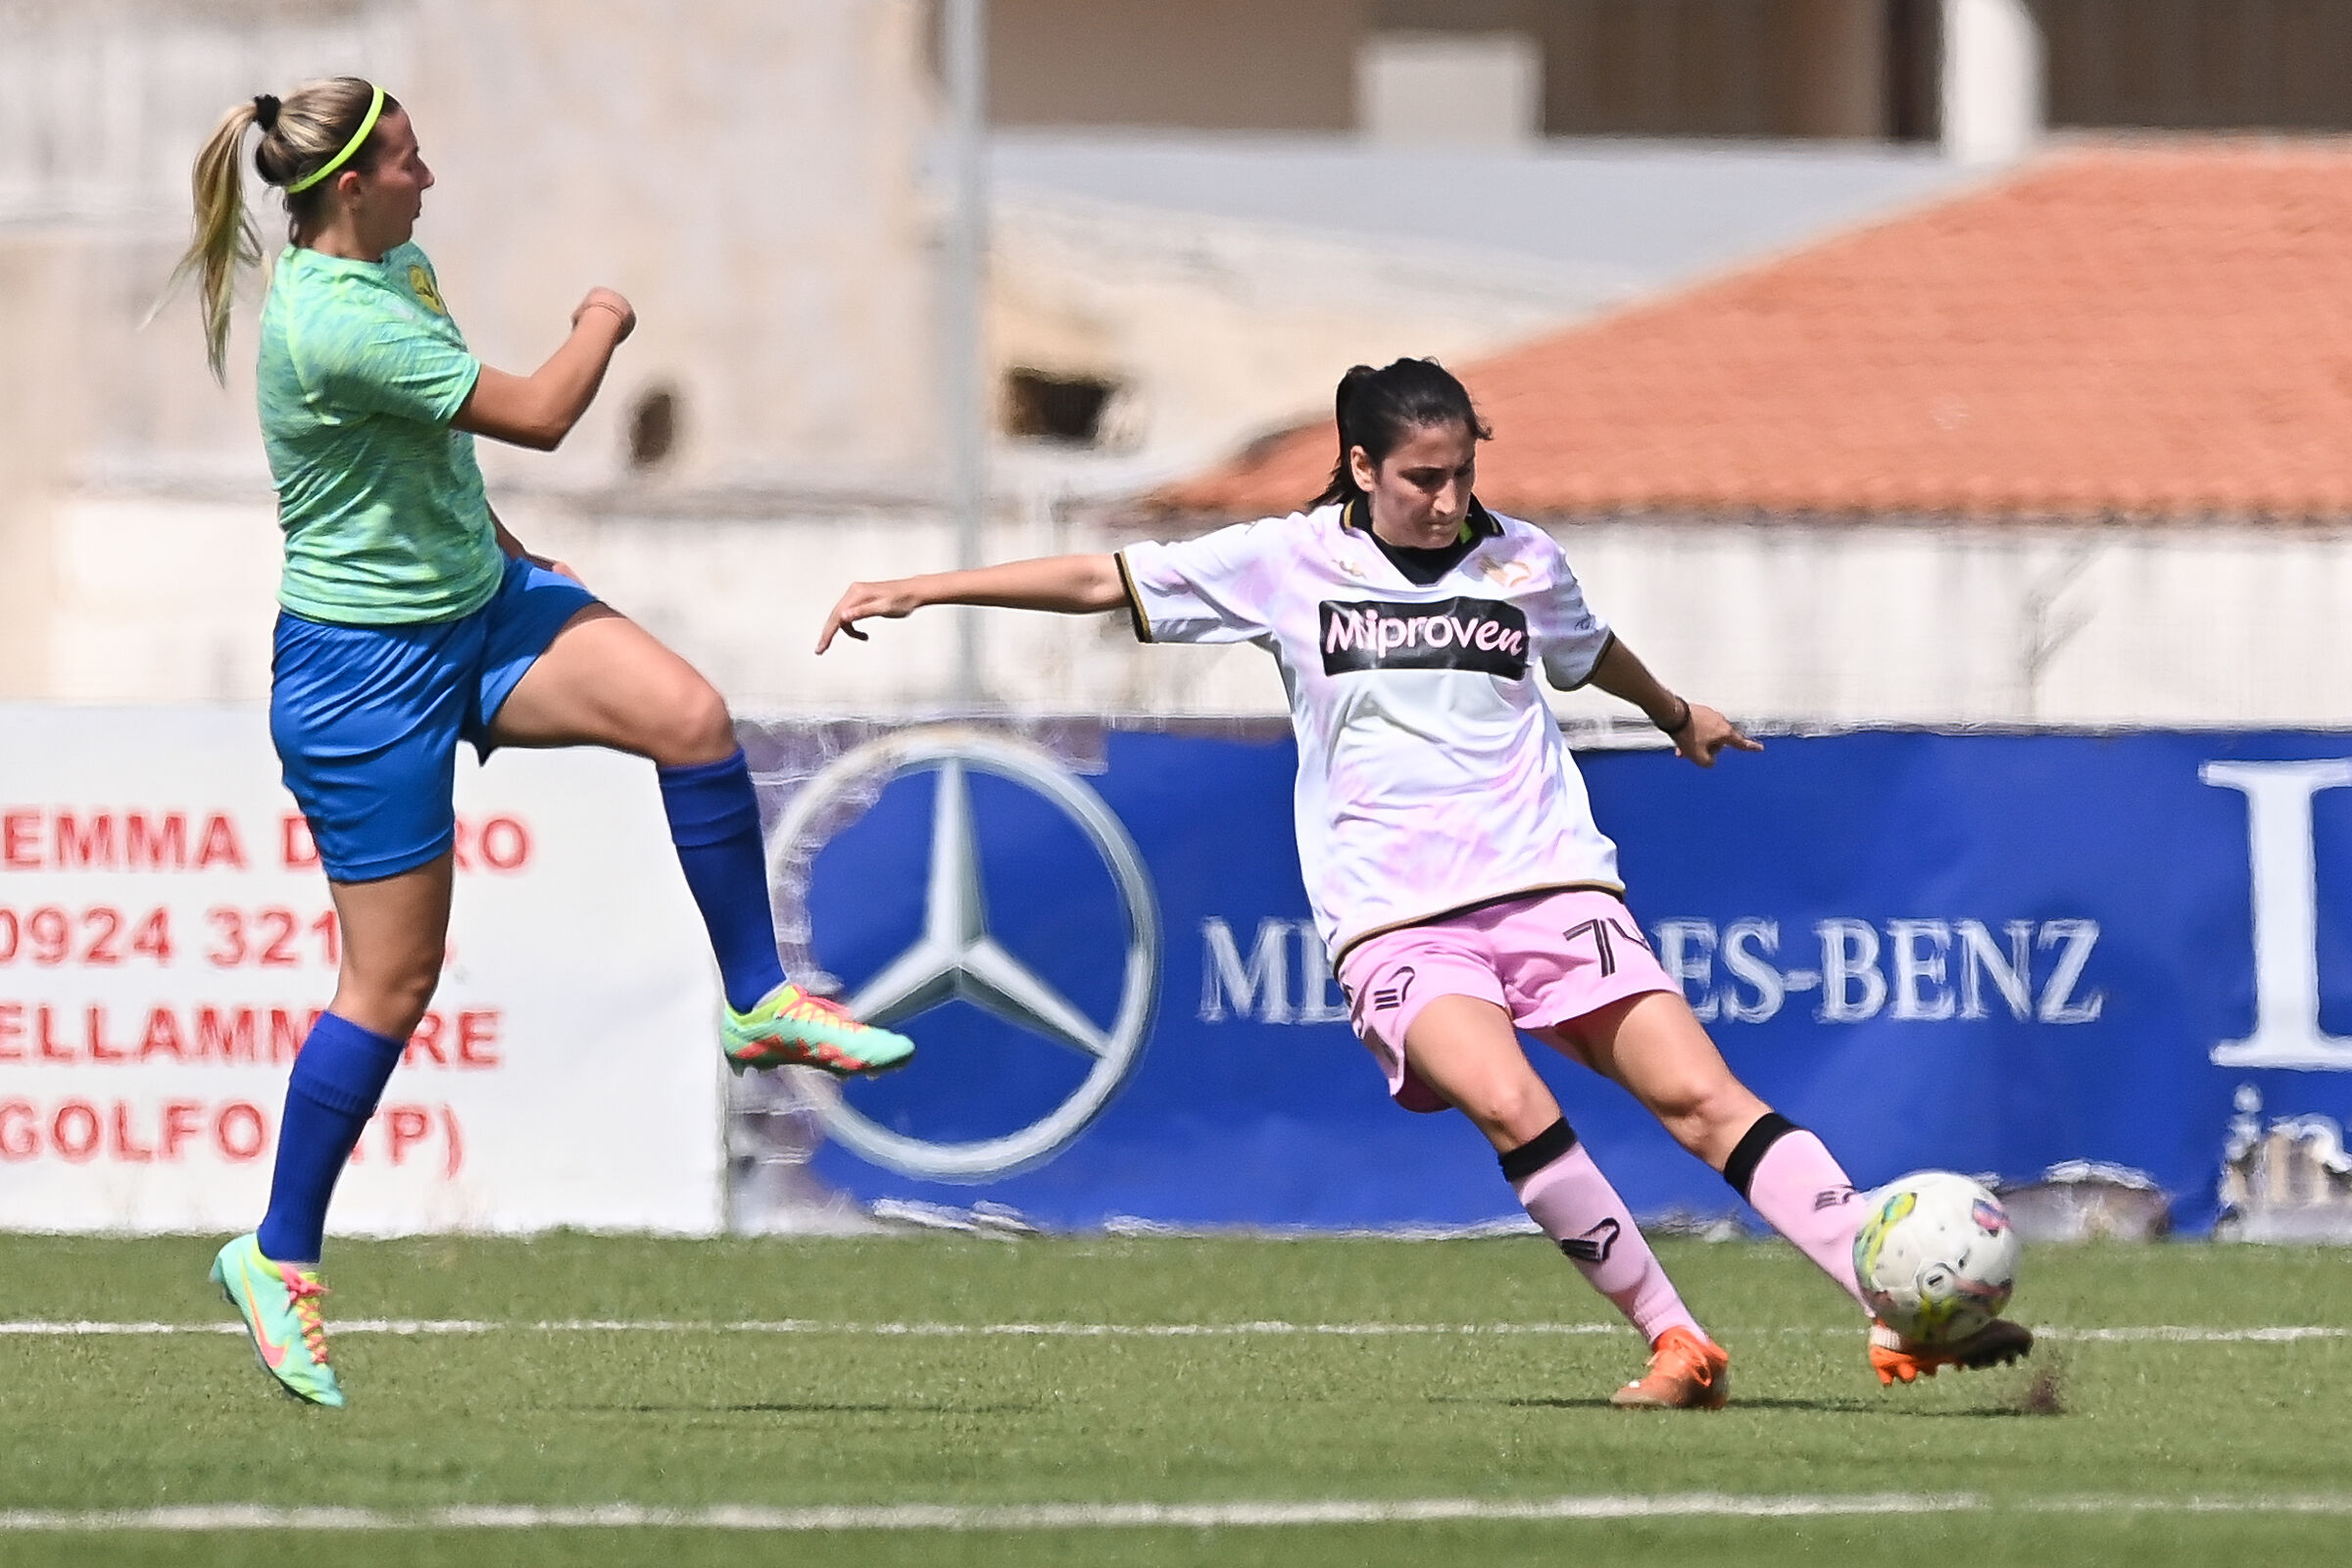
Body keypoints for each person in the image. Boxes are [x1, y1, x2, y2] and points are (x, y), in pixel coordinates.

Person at [817, 357, 2034, 1408]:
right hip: (1399, 924)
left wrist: (1675, 712)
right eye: (1423, 479)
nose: (1450, 501)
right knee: (1507, 1100)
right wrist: (922, 587)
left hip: (1555, 886)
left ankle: (1896, 1303)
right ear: (1360, 466)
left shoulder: (1520, 561)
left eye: (1462, 476)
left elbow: (1584, 645)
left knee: (1705, 1095)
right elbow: (1105, 580)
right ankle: (1676, 1336)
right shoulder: (1283, 564)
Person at [172, 77, 914, 1408]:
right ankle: (277, 1256)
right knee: (389, 989)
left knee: (690, 717)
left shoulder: (396, 266)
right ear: (350, 185)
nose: (429, 176)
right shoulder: (336, 320)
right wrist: (603, 319)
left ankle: (757, 999)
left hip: (483, 611)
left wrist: (505, 554)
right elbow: (542, 413)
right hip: (363, 677)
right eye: (408, 159)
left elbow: (427, 465)